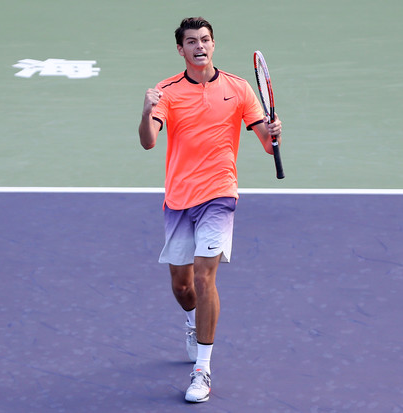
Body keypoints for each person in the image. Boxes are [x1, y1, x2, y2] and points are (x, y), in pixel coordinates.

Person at [138, 17, 282, 403]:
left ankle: (203, 369)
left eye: (205, 39)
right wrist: (145, 111)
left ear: (213, 44)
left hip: (220, 193)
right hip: (179, 198)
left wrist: (274, 133)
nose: (199, 46)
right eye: (191, 41)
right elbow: (149, 142)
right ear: (181, 50)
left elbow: (267, 145)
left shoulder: (238, 88)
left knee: (205, 278)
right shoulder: (166, 91)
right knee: (183, 287)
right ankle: (192, 321)